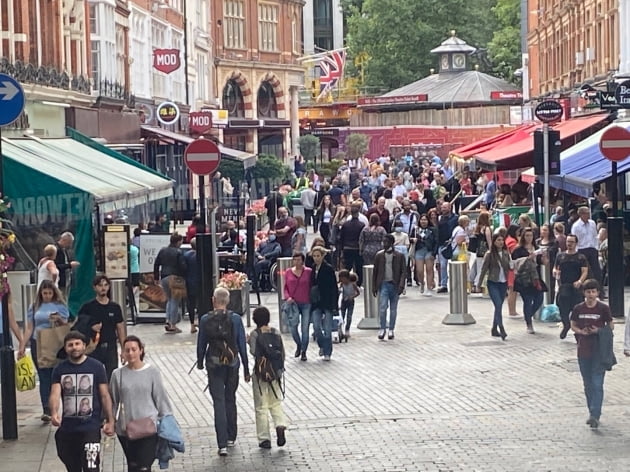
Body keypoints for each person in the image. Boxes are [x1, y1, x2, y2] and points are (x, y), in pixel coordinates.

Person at [49, 331, 115, 472]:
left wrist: (110, 420)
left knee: (91, 467)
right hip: (68, 429)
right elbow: (55, 393)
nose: (74, 347)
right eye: (70, 345)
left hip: (90, 428)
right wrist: (54, 412)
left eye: (78, 344)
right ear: (66, 348)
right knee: (72, 467)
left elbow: (104, 395)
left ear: (84, 346)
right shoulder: (60, 369)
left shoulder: (96, 367)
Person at [197, 287, 250, 456]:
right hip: (232, 363)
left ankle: (221, 444)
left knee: (218, 401)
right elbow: (241, 343)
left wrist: (200, 362)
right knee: (230, 398)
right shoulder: (235, 319)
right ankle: (231, 436)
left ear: (213, 300)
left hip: (214, 364)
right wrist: (247, 368)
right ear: (227, 301)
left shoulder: (205, 319)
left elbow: (201, 344)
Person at [110, 336, 173, 471]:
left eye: (134, 349)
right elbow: (113, 401)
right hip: (126, 429)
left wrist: (167, 420)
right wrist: (110, 421)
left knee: (144, 466)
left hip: (148, 427)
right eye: (127, 350)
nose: (131, 353)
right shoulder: (117, 374)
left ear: (141, 350)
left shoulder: (152, 372)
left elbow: (160, 398)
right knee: (133, 465)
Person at [19, 280, 70, 422]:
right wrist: (23, 345)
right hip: (38, 342)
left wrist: (58, 319)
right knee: (44, 375)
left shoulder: (60, 306)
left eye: (49, 293)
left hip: (55, 342)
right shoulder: (35, 307)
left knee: (59, 374)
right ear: (40, 293)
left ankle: (65, 406)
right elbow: (29, 327)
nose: (47, 295)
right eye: (44, 293)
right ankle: (47, 409)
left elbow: (65, 325)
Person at [570, 279, 614, 429]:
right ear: (584, 293)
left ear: (597, 293)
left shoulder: (603, 308)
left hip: (599, 350)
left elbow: (611, 325)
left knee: (597, 383)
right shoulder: (578, 308)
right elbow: (573, 324)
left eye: (593, 291)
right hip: (583, 350)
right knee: (588, 384)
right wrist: (580, 331)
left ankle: (595, 414)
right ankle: (591, 411)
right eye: (588, 292)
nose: (591, 295)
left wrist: (599, 331)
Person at [247, 307, 288, 449]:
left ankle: (264, 438)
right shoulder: (276, 332)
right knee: (276, 402)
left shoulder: (255, 334)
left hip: (261, 373)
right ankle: (280, 424)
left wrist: (248, 342)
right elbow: (282, 352)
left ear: (254, 320)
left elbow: (254, 352)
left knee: (261, 406)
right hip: (275, 373)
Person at [78, 275, 126, 381]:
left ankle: (111, 397)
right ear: (94, 288)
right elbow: (78, 325)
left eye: (105, 285)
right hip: (93, 347)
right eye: (100, 285)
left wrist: (123, 349)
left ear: (109, 287)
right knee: (93, 376)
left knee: (112, 376)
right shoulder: (88, 307)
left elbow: (120, 328)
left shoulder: (115, 307)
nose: (103, 288)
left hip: (110, 346)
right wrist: (90, 327)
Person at [554, 234, 589, 339]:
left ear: (576, 243)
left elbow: (584, 271)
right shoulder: (560, 256)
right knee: (562, 309)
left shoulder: (581, 257)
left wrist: (580, 281)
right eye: (568, 242)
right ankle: (566, 325)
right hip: (564, 286)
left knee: (577, 310)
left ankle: (577, 331)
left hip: (576, 287)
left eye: (571, 242)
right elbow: (555, 268)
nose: (569, 244)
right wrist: (555, 272)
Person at [479, 233, 513, 341]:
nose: (501, 242)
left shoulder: (506, 253)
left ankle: (494, 328)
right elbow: (484, 269)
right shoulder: (489, 254)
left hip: (503, 283)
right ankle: (501, 328)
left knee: (499, 306)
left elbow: (509, 266)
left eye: (502, 240)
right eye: (498, 240)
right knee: (498, 304)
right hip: (493, 282)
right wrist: (479, 283)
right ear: (494, 242)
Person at [512, 228, 547, 334]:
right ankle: (529, 323)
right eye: (526, 235)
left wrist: (544, 257)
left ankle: (528, 315)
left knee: (539, 299)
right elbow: (514, 264)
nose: (529, 238)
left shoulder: (536, 248)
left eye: (531, 236)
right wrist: (528, 258)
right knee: (527, 300)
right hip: (524, 279)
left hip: (536, 277)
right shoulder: (518, 250)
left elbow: (543, 262)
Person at [372, 234, 406, 340]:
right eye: (383, 242)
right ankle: (382, 328)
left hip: (394, 284)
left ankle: (391, 329)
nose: (384, 244)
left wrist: (401, 285)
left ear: (391, 243)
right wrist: (374, 286)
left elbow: (403, 272)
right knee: (382, 308)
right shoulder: (379, 255)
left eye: (386, 242)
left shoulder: (399, 256)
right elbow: (375, 272)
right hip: (384, 284)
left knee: (393, 309)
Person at [153, 232, 187, 333]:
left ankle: (168, 320)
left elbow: (156, 264)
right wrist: (184, 275)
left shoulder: (162, 250)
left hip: (163, 277)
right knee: (175, 301)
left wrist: (156, 277)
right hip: (175, 277)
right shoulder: (178, 252)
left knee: (169, 299)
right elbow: (183, 266)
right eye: (181, 241)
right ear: (177, 242)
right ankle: (173, 324)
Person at [310, 246, 338, 361]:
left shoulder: (328, 269)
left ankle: (327, 352)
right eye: (314, 256)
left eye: (318, 256)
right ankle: (322, 345)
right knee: (316, 327)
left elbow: (334, 288)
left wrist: (334, 305)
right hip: (316, 302)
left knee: (327, 329)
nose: (316, 258)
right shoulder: (312, 269)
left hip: (327, 302)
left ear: (322, 256)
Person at [283, 252, 312, 361]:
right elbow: (285, 287)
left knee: (305, 328)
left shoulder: (308, 272)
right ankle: (298, 344)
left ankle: (304, 351)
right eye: (295, 260)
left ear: (303, 261)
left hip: (306, 303)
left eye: (299, 260)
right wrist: (287, 297)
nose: (297, 262)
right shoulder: (288, 272)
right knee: (293, 327)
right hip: (293, 303)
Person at [572, 206, 603, 285]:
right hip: (582, 249)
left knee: (596, 271)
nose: (588, 215)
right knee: (584, 270)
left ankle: (599, 290)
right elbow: (574, 239)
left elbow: (595, 236)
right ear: (581, 214)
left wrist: (596, 247)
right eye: (586, 213)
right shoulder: (576, 226)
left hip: (592, 249)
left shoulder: (592, 223)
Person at [411, 213, 438, 296]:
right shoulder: (415, 230)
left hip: (429, 251)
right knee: (419, 270)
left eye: (425, 220)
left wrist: (434, 253)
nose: (423, 222)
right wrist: (413, 240)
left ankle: (429, 287)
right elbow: (409, 238)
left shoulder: (433, 230)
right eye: (422, 220)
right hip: (419, 251)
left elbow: (436, 241)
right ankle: (422, 282)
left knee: (429, 270)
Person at [339, 204, 366, 286]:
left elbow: (341, 238)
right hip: (357, 248)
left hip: (347, 247)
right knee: (358, 267)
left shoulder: (346, 224)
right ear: (358, 213)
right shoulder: (361, 225)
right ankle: (358, 283)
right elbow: (362, 239)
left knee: (347, 267)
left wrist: (341, 250)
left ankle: (344, 282)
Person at [436, 202, 458, 293]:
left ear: (450, 208)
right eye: (442, 208)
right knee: (443, 265)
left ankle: (456, 283)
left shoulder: (456, 218)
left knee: (455, 264)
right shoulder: (439, 218)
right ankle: (444, 284)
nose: (443, 209)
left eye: (445, 207)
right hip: (442, 244)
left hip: (453, 244)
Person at [55, 232, 80, 298]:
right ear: (64, 240)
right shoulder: (56, 250)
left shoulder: (64, 250)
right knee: (61, 299)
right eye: (69, 243)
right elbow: (56, 266)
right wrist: (69, 265)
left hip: (66, 280)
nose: (70, 245)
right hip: (60, 281)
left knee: (65, 298)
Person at [338, 270, 359, 338]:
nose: (341, 280)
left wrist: (352, 297)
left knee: (349, 316)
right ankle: (340, 329)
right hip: (344, 301)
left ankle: (347, 329)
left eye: (342, 279)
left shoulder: (352, 284)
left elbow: (358, 293)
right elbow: (340, 291)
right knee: (342, 316)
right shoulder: (342, 285)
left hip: (350, 302)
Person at [184, 238, 199, 333]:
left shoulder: (186, 255)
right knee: (200, 302)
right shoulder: (201, 255)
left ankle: (192, 324)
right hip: (200, 282)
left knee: (190, 304)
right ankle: (199, 320)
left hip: (189, 282)